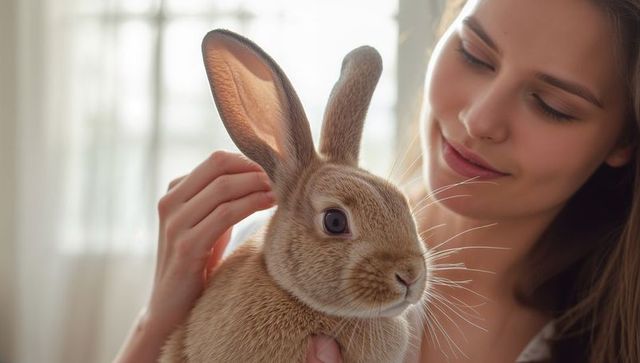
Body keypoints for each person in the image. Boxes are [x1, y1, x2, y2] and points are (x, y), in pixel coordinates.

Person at [114, 0, 640, 361]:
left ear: (624, 138)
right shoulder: (287, 254)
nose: (480, 120)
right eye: (475, 54)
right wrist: (158, 323)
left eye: (553, 106)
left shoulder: (612, 334)